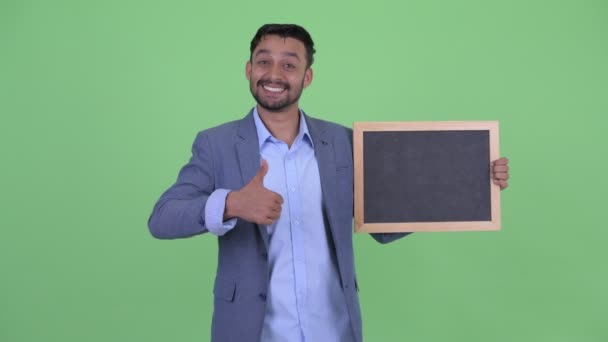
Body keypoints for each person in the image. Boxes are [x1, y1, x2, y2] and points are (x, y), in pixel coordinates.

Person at [148, 23, 510, 342]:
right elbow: (162, 218)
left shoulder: (344, 143)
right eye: (263, 61)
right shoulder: (216, 144)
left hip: (335, 331)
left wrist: (471, 180)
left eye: (289, 64)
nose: (274, 73)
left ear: (307, 77)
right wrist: (231, 204)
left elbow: (384, 224)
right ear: (248, 69)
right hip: (252, 332)